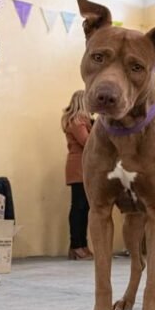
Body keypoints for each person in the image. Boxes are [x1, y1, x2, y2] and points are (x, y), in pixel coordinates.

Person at [61, 90, 93, 261]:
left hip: (83, 166)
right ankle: (77, 246)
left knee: (83, 207)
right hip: (79, 166)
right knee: (79, 207)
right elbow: (87, 142)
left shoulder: (81, 120)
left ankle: (81, 245)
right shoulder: (78, 121)